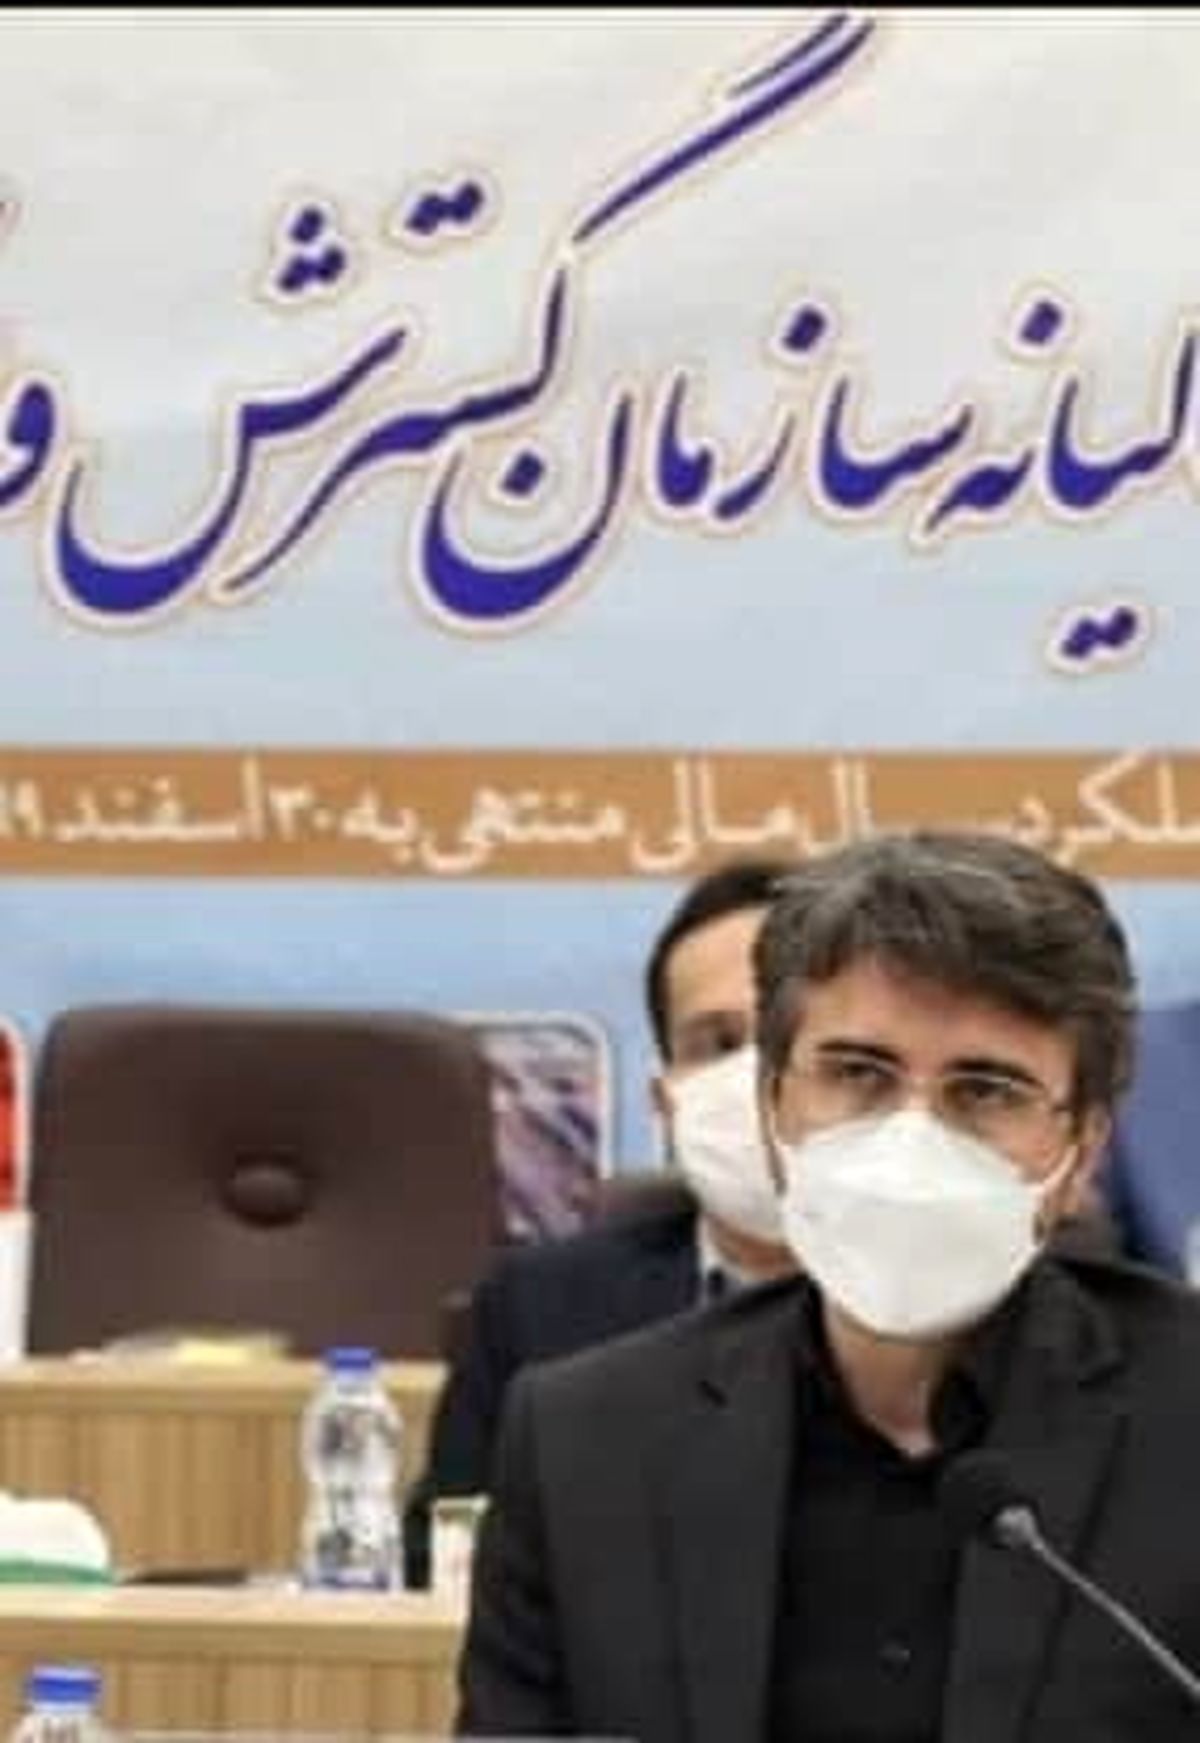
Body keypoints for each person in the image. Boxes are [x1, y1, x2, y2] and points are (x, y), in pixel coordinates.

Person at [458, 829, 1200, 1742]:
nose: (911, 1140)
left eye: (985, 1090)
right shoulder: (584, 1445)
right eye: (857, 1073)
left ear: (1081, 1148)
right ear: (773, 1105)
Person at [403, 858, 799, 1586]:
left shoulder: (949, 1301)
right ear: (666, 1100)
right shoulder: (539, 1310)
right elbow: (444, 1561)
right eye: (717, 1043)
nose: (756, 1075)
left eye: (790, 1034)